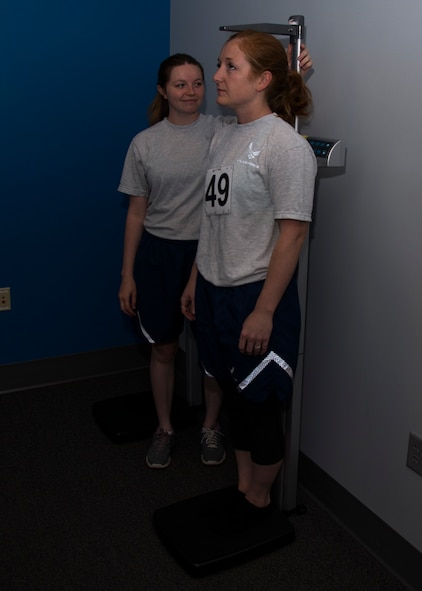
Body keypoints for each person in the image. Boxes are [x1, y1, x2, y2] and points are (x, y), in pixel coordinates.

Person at [118, 46, 313, 470]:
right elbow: (137, 211)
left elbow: (267, 118)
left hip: (227, 268)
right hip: (179, 257)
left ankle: (213, 430)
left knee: (225, 371)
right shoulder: (153, 143)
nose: (194, 90)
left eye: (201, 81)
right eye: (180, 84)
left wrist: (289, 66)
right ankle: (166, 428)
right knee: (171, 350)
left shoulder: (222, 129)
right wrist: (130, 274)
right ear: (163, 91)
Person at [181, 30, 317, 534]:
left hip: (256, 298)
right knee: (236, 400)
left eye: (229, 67)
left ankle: (259, 503)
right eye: (220, 64)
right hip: (215, 291)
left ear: (262, 79)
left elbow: (293, 235)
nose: (217, 76)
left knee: (260, 408)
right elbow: (212, 219)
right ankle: (242, 489)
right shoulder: (223, 133)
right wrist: (197, 277)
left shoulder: (285, 146)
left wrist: (263, 310)